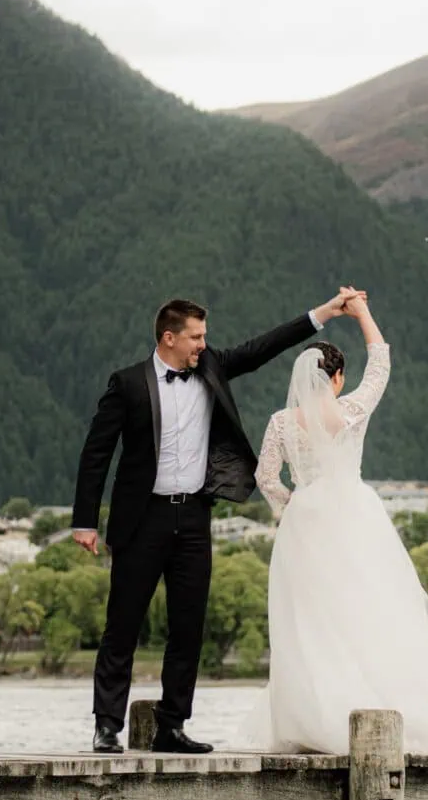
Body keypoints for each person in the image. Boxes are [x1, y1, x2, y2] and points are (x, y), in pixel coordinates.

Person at [72, 289, 362, 754]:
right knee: (122, 625)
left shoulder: (210, 369)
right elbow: (96, 454)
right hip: (140, 519)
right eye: (195, 337)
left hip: (193, 517)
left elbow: (262, 347)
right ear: (169, 338)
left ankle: (171, 725)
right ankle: (107, 726)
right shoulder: (127, 384)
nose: (203, 345)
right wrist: (84, 521)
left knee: (189, 627)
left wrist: (322, 315)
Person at [254, 293, 428, 754]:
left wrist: (290, 506)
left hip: (304, 524)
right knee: (370, 607)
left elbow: (265, 477)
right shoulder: (351, 411)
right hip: (352, 514)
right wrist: (361, 310)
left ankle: (311, 716)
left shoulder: (281, 422)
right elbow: (381, 364)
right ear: (338, 378)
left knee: (310, 621)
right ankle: (377, 701)